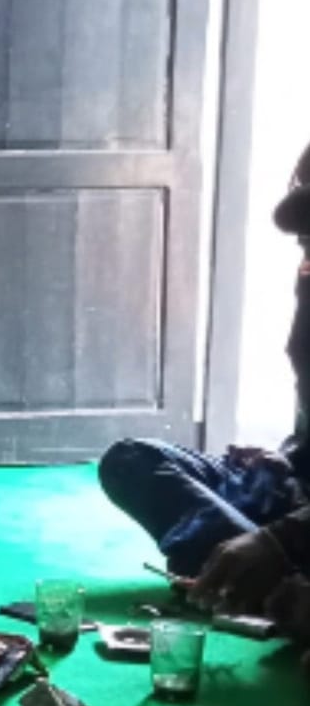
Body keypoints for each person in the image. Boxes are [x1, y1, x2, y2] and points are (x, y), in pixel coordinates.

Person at [100, 142, 310, 620]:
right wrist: (289, 458)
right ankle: (272, 588)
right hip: (296, 496)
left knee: (253, 546)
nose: (304, 249)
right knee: (132, 461)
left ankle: (269, 589)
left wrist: (277, 541)